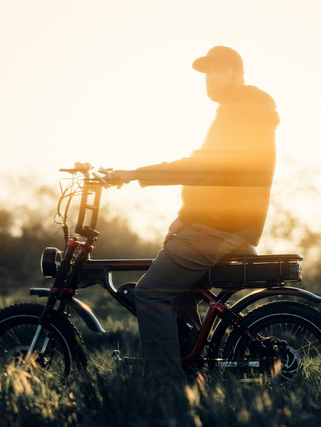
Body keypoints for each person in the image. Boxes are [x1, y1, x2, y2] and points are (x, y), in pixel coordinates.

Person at [111, 46, 280, 382]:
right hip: (227, 223)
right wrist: (186, 216)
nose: (210, 80)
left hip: (221, 226)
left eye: (218, 71)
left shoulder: (241, 113)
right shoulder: (242, 111)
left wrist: (134, 173)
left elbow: (203, 167)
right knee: (180, 298)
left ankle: (164, 384)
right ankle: (190, 369)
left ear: (237, 72)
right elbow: (215, 174)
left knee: (151, 294)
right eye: (206, 74)